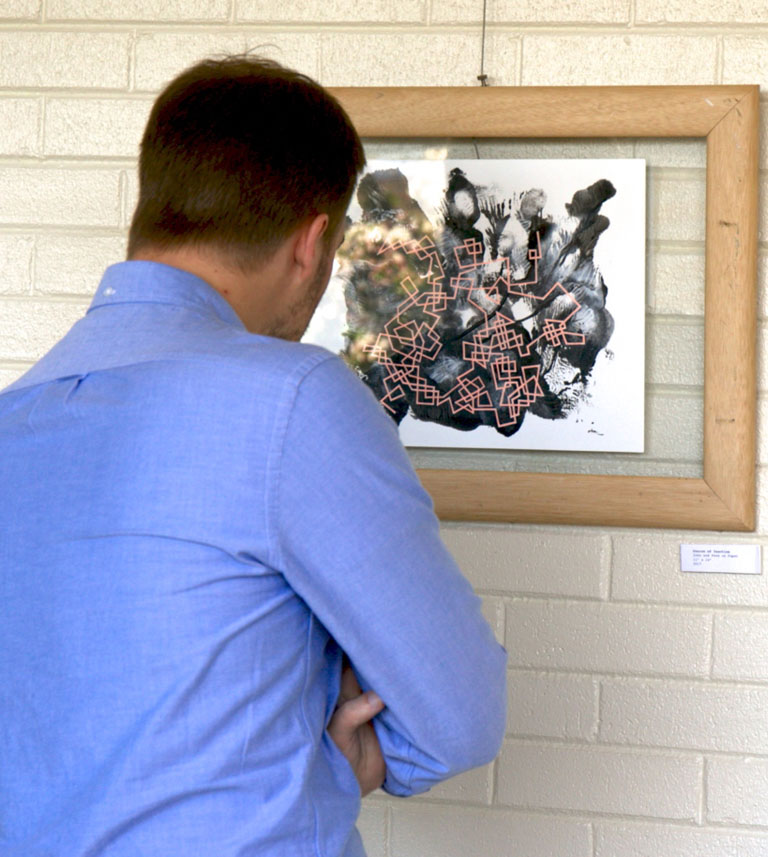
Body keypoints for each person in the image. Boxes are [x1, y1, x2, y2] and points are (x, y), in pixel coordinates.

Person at [0, 55, 507, 856]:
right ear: (311, 244)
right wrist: (340, 760)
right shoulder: (293, 399)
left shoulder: (13, 418)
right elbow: (461, 715)